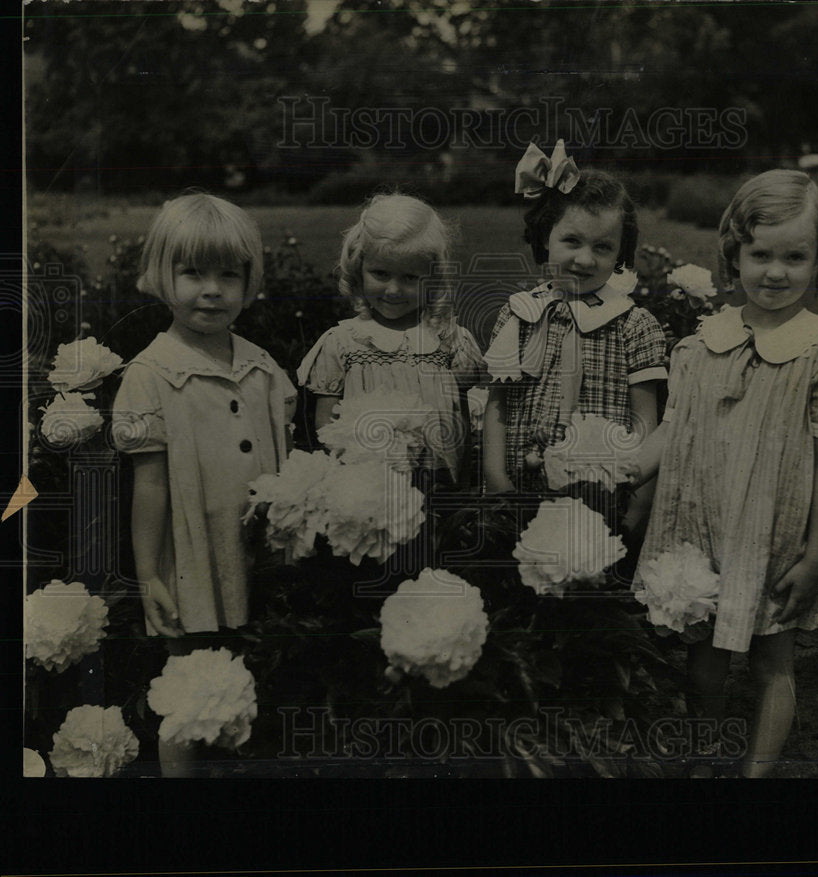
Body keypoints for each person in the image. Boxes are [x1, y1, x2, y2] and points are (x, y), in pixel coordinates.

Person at [629, 169, 818, 777]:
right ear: (735, 254)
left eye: (795, 256)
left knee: (771, 663)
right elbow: (672, 434)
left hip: (774, 538)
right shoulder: (707, 340)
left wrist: (814, 558)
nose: (776, 272)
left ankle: (755, 779)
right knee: (702, 657)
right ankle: (705, 755)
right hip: (702, 526)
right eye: (761, 254)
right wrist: (610, 473)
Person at [112, 192, 296, 776]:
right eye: (193, 272)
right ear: (161, 276)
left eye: (228, 275)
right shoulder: (151, 374)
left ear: (249, 282)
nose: (211, 289)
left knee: (258, 684)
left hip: (258, 555)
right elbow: (150, 488)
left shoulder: (262, 367)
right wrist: (149, 577)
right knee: (187, 691)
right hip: (190, 558)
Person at [483, 140, 667, 538]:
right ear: (546, 234)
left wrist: (634, 510)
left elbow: (645, 425)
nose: (585, 260)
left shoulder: (633, 325)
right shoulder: (519, 315)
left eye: (603, 247)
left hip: (600, 500)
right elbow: (496, 403)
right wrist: (497, 481)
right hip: (517, 494)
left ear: (621, 253)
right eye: (572, 241)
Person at [296, 193, 484, 489]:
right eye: (381, 274)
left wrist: (463, 487)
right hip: (365, 483)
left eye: (410, 278)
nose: (394, 290)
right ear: (359, 269)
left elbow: (459, 423)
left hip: (437, 482)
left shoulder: (446, 339)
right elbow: (326, 428)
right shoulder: (344, 343)